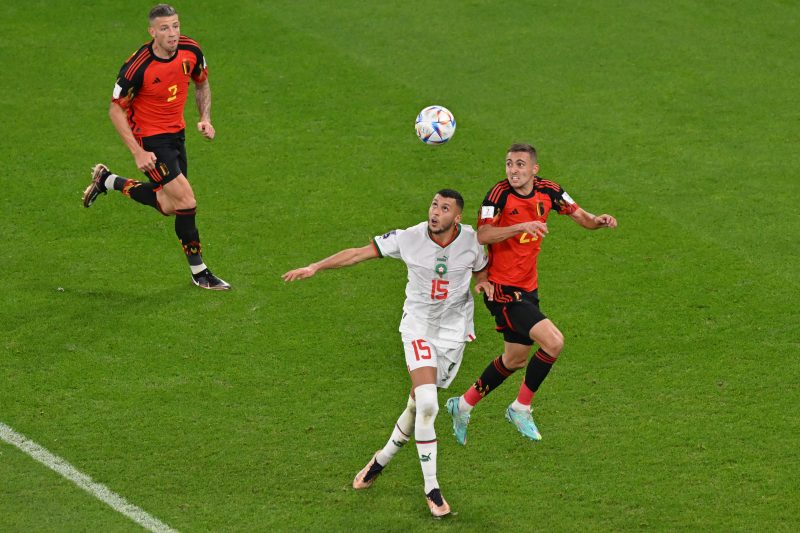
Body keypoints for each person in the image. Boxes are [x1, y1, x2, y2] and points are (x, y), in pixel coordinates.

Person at [282, 190, 491, 518]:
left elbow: (482, 268)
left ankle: (381, 459)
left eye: (445, 208)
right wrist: (316, 266)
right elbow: (357, 254)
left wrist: (482, 283)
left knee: (416, 405)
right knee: (427, 405)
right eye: (434, 205)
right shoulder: (409, 237)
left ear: (457, 217)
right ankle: (432, 489)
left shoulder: (472, 241)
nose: (436, 212)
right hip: (418, 328)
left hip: (453, 334)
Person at [446, 143, 617, 444]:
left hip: (528, 287)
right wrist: (520, 225)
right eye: (510, 164)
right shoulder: (497, 195)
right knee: (554, 342)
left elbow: (580, 216)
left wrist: (598, 221)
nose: (514, 170)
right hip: (501, 289)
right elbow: (483, 234)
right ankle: (520, 407)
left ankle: (462, 405)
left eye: (520, 164)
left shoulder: (549, 191)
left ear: (534, 169)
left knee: (514, 360)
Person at [82, 4, 230, 290]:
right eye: (165, 28)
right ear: (152, 32)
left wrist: (205, 118)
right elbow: (115, 110)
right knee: (186, 202)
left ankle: (107, 180)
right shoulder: (138, 66)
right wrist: (138, 152)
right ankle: (200, 273)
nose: (173, 33)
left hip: (177, 134)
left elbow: (202, 83)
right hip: (150, 139)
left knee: (167, 204)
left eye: (175, 26)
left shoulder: (191, 50)